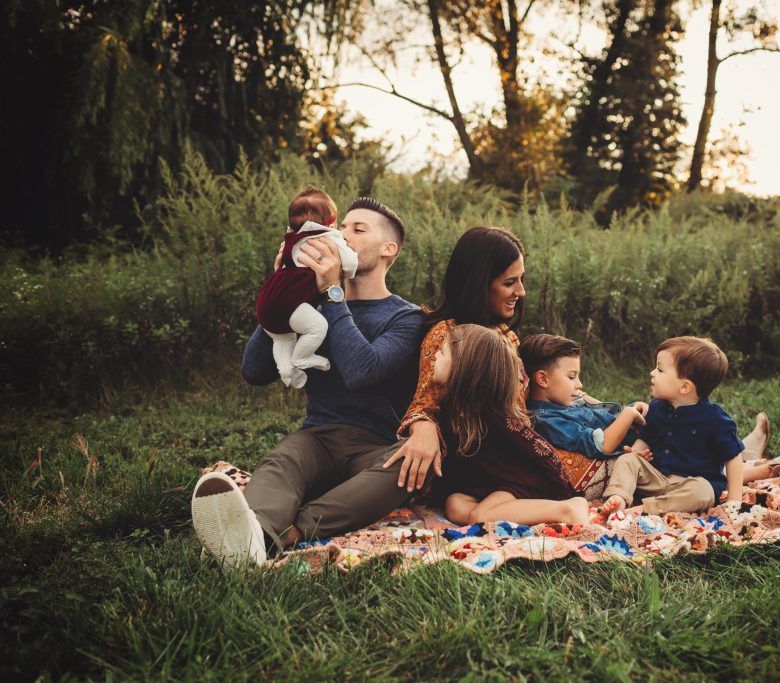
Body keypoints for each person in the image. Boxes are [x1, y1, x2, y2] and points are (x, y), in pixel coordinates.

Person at [190, 196, 424, 567]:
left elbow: (363, 371)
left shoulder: (407, 317)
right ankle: (252, 535)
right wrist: (283, 288)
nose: (342, 233)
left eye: (358, 229)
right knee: (282, 462)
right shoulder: (310, 307)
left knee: (405, 469)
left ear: (388, 249)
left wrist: (333, 292)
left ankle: (293, 529)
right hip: (318, 436)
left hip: (375, 446)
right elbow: (254, 371)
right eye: (342, 225)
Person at [601, 336, 780, 516]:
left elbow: (732, 459)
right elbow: (647, 434)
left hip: (691, 485)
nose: (652, 373)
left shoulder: (714, 418)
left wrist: (734, 500)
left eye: (660, 369)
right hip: (658, 478)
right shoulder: (658, 407)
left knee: (702, 491)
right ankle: (619, 498)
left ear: (685, 387)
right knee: (627, 460)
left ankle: (644, 510)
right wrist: (638, 450)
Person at [381, 226, 530, 494]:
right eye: (509, 282)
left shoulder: (506, 335)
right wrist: (423, 425)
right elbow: (424, 402)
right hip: (480, 463)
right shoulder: (447, 334)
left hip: (519, 445)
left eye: (521, 280)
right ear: (479, 283)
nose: (521, 292)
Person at [431, 325, 589, 525]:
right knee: (455, 506)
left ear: (464, 365)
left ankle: (568, 509)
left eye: (443, 352)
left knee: (480, 517)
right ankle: (517, 511)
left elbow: (532, 456)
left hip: (527, 482)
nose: (435, 355)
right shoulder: (453, 404)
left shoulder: (495, 420)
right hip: (496, 482)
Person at [255, 186, 359, 389]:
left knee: (283, 338)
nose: (344, 233)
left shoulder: (291, 239)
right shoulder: (331, 238)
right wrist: (346, 261)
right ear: (332, 222)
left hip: (266, 301)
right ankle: (302, 358)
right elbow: (351, 266)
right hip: (291, 304)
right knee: (317, 327)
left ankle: (287, 372)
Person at [520, 333, 648, 458]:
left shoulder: (568, 401)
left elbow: (610, 414)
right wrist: (629, 414)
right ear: (543, 379)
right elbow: (600, 445)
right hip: (636, 445)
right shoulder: (546, 421)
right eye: (571, 376)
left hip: (639, 430)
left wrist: (635, 408)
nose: (579, 384)